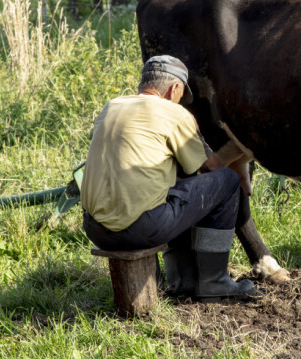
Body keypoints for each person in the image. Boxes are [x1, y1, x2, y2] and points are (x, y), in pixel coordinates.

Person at [81, 55, 255, 301]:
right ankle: (215, 281)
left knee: (175, 187)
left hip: (95, 227)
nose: (180, 102)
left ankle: (182, 280)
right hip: (140, 228)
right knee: (226, 181)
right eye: (181, 96)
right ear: (175, 89)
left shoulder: (112, 105)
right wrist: (236, 147)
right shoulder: (173, 112)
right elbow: (209, 168)